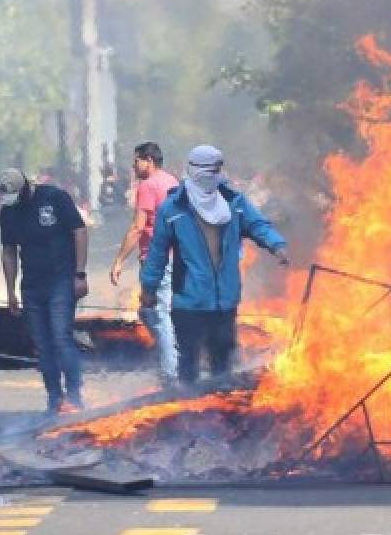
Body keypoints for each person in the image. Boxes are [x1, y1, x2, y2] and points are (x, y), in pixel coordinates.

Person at [140, 145, 289, 386]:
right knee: (189, 364)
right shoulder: (173, 208)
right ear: (193, 170)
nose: (213, 175)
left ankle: (221, 418)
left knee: (223, 365)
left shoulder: (234, 203)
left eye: (217, 169)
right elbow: (157, 253)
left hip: (225, 301)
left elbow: (258, 225)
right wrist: (148, 289)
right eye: (208, 170)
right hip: (189, 302)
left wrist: (276, 244)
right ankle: (186, 415)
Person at [0, 168, 90, 414]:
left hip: (61, 279)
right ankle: (54, 399)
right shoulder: (8, 211)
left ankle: (74, 396)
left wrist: (80, 273)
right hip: (31, 285)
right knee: (42, 344)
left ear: (26, 187)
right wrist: (10, 291)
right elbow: (9, 252)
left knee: (61, 338)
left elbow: (79, 231)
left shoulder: (55, 198)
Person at [110, 142, 180, 386]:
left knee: (157, 314)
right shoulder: (173, 181)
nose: (133, 165)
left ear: (149, 160)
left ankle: (171, 373)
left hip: (155, 259)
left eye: (137, 160)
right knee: (151, 312)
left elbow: (138, 227)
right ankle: (171, 359)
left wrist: (119, 261)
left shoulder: (148, 186)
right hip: (175, 255)